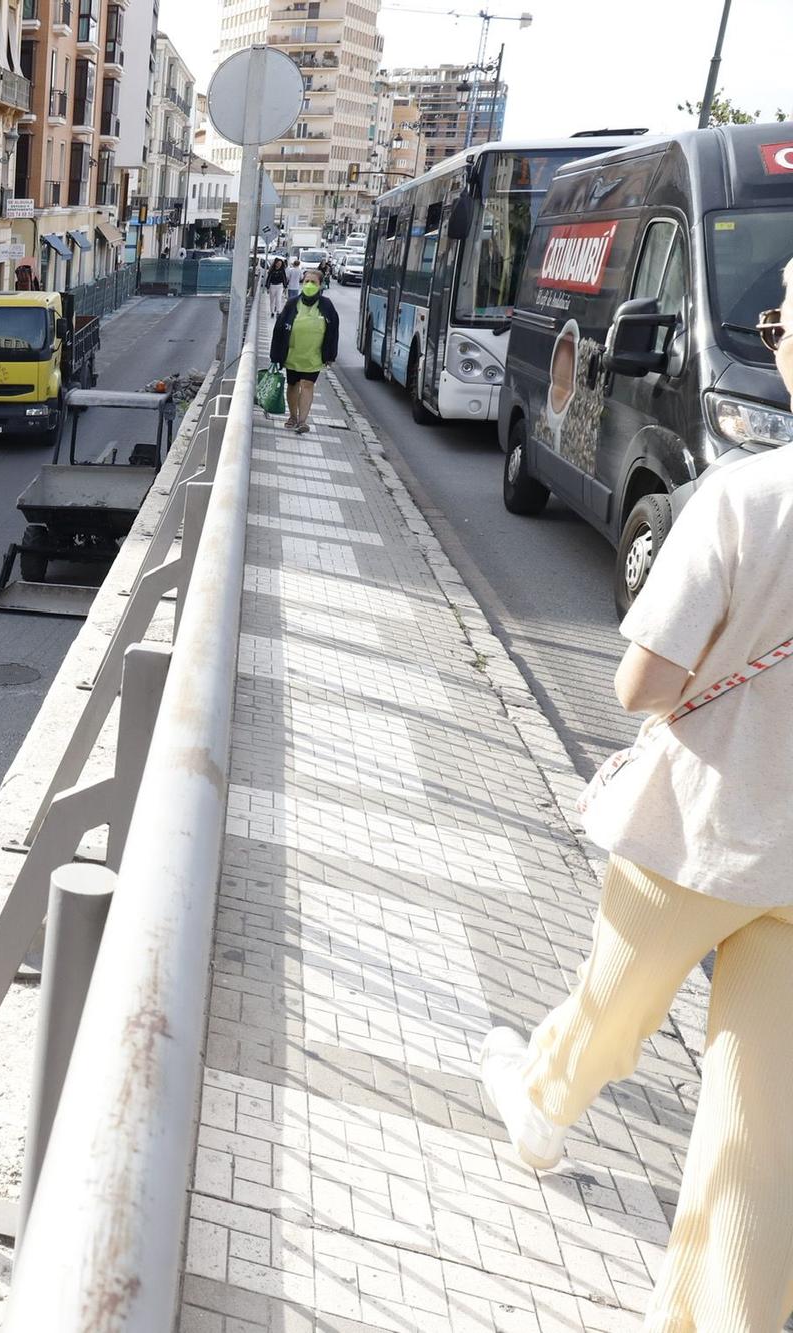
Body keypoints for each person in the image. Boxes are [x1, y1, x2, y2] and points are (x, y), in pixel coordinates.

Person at [477, 263, 793, 1330]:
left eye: (777, 316)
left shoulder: (747, 498)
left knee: (610, 1013)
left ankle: (536, 1107)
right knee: (754, 1131)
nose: (770, 330)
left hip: (697, 829)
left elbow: (640, 686)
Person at [268, 273, 339, 433]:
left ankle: (302, 421)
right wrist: (275, 356)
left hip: (313, 357)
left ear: (320, 285)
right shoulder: (292, 304)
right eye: (306, 281)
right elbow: (278, 330)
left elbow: (333, 331)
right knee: (293, 385)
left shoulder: (327, 306)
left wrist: (331, 355)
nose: (309, 284)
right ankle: (293, 416)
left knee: (308, 385)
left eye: (313, 282)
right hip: (293, 355)